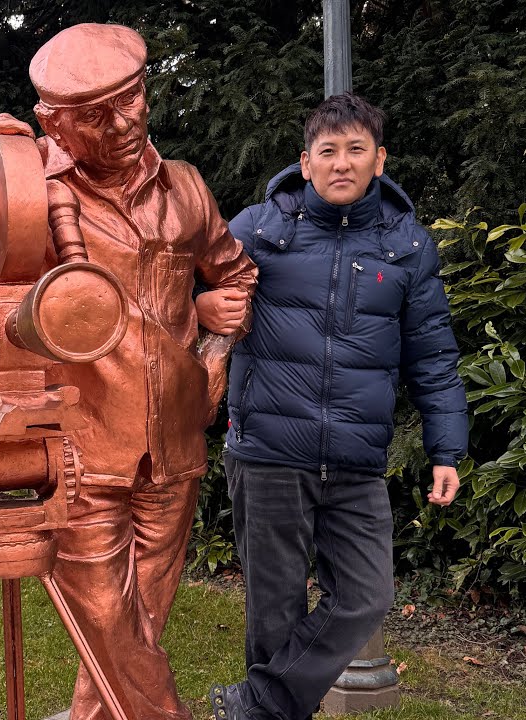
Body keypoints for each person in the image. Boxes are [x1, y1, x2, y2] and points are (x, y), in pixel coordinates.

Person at [0, 23, 257, 720]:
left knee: (134, 632)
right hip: (73, 453)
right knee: (113, 629)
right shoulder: (6, 186)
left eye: (132, 99)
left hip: (173, 451)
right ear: (49, 121)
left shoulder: (184, 186)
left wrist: (213, 353)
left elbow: (235, 276)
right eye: (94, 114)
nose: (122, 123)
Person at [201, 93, 468, 720]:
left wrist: (445, 449)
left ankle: (257, 706)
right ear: (305, 161)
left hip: (355, 459)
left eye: (356, 150)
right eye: (328, 151)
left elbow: (433, 355)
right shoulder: (256, 231)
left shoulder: (407, 246)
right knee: (273, 612)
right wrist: (200, 308)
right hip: (267, 452)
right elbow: (171, 294)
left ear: (379, 160)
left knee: (366, 597)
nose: (341, 163)